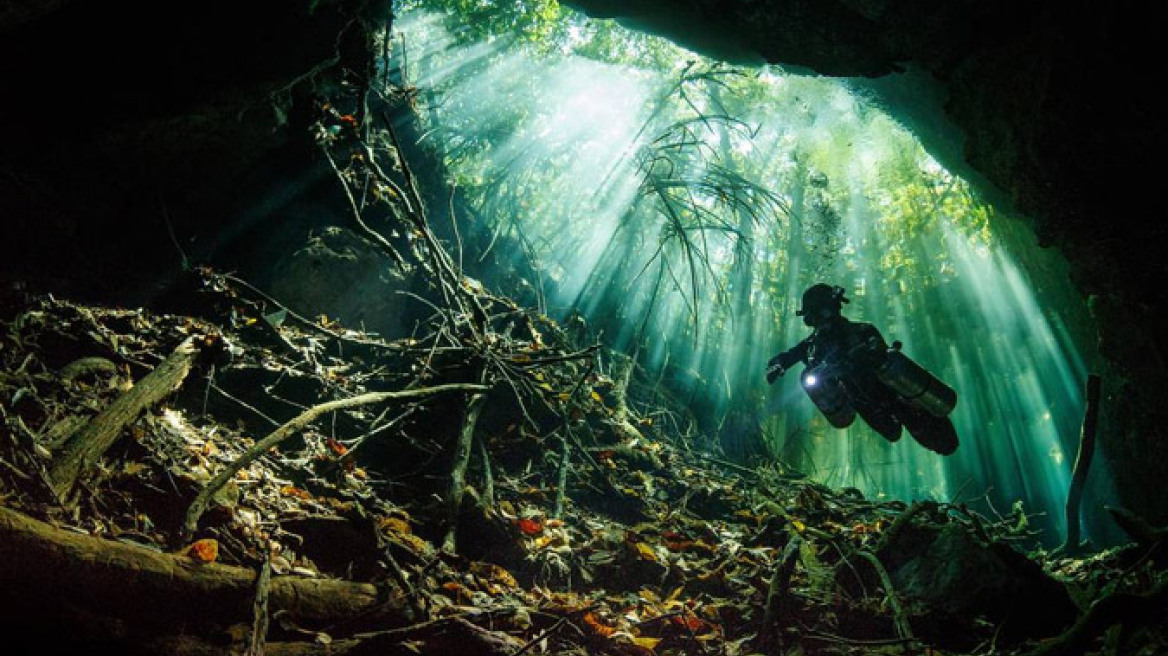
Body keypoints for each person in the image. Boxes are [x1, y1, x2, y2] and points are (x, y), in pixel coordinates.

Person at [766, 283, 958, 455]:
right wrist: (779, 363)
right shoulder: (813, 345)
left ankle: (937, 433)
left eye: (819, 313)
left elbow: (879, 349)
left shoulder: (860, 331)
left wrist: (861, 356)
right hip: (864, 403)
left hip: (893, 394)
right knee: (892, 433)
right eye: (813, 317)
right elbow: (792, 355)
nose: (818, 321)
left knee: (936, 437)